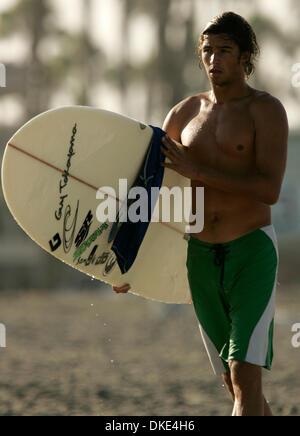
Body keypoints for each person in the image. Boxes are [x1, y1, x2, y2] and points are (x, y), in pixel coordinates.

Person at [112, 11, 289, 416]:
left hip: (251, 253)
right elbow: (153, 195)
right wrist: (127, 265)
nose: (214, 60)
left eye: (224, 51)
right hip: (200, 258)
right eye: (207, 51)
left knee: (244, 375)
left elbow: (269, 189)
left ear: (246, 57)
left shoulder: (266, 111)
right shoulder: (182, 115)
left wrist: (197, 171)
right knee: (237, 386)